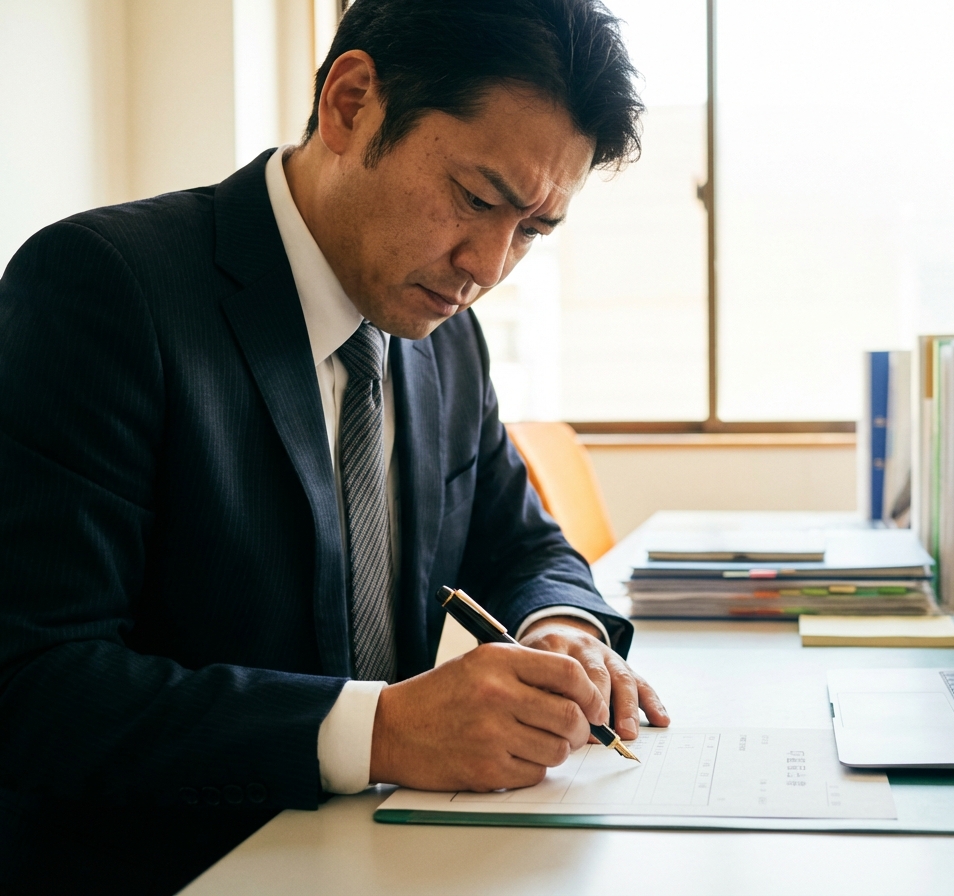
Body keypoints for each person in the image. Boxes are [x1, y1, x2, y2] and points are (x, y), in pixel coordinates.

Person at [0, 1, 669, 892]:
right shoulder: (106, 288)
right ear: (351, 103)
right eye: (476, 198)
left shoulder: (443, 336)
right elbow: (37, 683)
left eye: (533, 231)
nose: (489, 266)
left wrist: (566, 628)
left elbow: (521, 541)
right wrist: (382, 731)